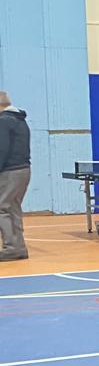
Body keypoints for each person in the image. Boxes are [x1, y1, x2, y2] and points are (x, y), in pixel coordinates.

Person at [0, 89, 31, 262]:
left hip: (10, 172)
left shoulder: (3, 121)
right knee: (12, 208)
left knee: (2, 208)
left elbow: (2, 149)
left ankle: (11, 247)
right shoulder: (20, 120)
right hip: (23, 170)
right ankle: (19, 247)